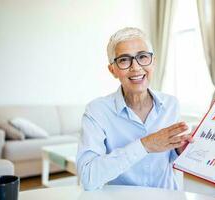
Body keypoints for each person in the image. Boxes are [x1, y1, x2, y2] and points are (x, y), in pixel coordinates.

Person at [76, 27, 193, 191]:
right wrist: (145, 145)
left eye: (143, 57)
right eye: (124, 60)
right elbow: (88, 177)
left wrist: (179, 150)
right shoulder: (97, 111)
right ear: (113, 70)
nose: (136, 67)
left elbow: (168, 158)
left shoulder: (171, 104)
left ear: (153, 62)